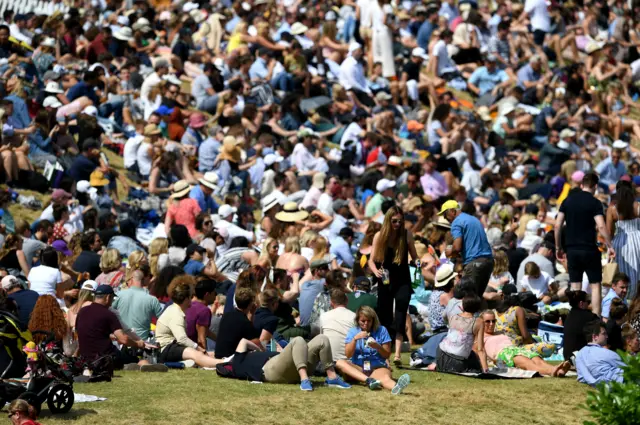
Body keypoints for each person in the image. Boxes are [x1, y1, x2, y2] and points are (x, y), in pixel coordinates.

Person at [555, 172, 613, 316]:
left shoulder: (567, 201)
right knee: (595, 286)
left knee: (575, 286)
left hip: (572, 249)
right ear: (595, 186)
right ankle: (596, 318)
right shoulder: (595, 203)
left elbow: (557, 226)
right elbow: (600, 226)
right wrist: (610, 245)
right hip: (589, 249)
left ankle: (576, 316)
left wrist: (558, 247)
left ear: (581, 185)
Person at [368, 206, 419, 365]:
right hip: (385, 278)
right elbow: (371, 260)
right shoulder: (379, 236)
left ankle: (397, 355)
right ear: (388, 220)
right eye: (394, 221)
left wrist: (417, 263)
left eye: (400, 221)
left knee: (401, 313)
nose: (397, 224)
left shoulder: (406, 235)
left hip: (403, 278)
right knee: (384, 316)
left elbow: (415, 256)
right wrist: (376, 271)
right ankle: (386, 355)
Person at [76, 285, 161, 370]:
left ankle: (127, 365)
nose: (112, 302)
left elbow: (84, 333)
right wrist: (138, 343)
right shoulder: (108, 314)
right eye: (112, 299)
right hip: (107, 358)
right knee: (140, 361)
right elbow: (123, 339)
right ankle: (143, 366)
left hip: (86, 359)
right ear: (108, 297)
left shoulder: (82, 311)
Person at [229, 334, 351, 391]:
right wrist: (259, 349)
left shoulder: (254, 356)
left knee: (322, 339)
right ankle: (304, 379)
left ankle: (332, 377)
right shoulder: (238, 360)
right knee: (298, 340)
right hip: (268, 370)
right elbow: (243, 341)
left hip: (286, 365)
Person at [338, 306, 411, 394]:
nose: (366, 324)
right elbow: (348, 355)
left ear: (373, 320)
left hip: (377, 368)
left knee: (385, 378)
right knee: (340, 362)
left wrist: (377, 346)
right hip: (358, 368)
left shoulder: (382, 330)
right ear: (357, 320)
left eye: (369, 321)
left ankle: (396, 387)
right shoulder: (353, 331)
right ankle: (369, 380)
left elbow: (386, 355)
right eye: (363, 321)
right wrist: (355, 339)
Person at [155, 275, 223, 368]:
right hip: (166, 348)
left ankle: (221, 361)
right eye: (191, 296)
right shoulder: (176, 314)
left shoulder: (174, 309)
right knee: (197, 354)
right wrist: (198, 347)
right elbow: (182, 338)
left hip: (168, 347)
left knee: (201, 355)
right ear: (186, 298)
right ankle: (223, 363)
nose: (193, 299)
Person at [482, 310, 571, 376]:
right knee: (527, 363)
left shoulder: (500, 332)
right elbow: (478, 352)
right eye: (488, 321)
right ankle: (552, 371)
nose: (491, 324)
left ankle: (557, 370)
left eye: (493, 321)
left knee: (537, 359)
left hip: (516, 349)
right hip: (504, 354)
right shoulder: (481, 337)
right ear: (481, 322)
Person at [439, 200, 493, 295]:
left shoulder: (456, 222)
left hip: (474, 263)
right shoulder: (474, 219)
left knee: (466, 297)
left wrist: (449, 252)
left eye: (445, 215)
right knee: (477, 297)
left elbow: (457, 248)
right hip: (488, 262)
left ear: (452, 211)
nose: (445, 218)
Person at [436, 294, 488, 373]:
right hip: (457, 360)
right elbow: (480, 349)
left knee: (472, 355)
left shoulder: (453, 316)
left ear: (463, 306)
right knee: (475, 369)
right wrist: (486, 370)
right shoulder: (479, 322)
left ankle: (435, 365)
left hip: (441, 353)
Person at [112, 265, 162, 340]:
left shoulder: (119, 295)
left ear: (131, 280)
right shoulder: (152, 299)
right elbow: (163, 321)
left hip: (122, 340)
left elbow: (107, 313)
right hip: (142, 342)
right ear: (143, 280)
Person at [214, 287, 261, 359]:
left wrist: (251, 314)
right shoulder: (244, 322)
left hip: (218, 355)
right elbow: (257, 343)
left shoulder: (226, 315)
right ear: (250, 304)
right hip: (230, 358)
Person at [575, 321, 625, 386]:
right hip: (618, 382)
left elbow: (581, 378)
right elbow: (628, 369)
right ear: (595, 337)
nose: (607, 337)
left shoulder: (579, 354)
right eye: (604, 334)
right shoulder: (608, 354)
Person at [319, 289, 356, 361]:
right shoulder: (354, 316)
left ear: (331, 303)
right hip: (349, 362)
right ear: (347, 300)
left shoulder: (323, 316)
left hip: (329, 361)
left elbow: (321, 338)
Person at [563, 290, 599, 362]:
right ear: (581, 303)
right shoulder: (589, 317)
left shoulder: (569, 316)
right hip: (579, 357)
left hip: (567, 356)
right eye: (588, 302)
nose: (589, 305)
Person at [185, 279, 216, 349]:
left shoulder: (190, 305)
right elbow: (201, 339)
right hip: (192, 349)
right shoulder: (204, 310)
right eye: (214, 293)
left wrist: (219, 340)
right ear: (207, 294)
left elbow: (205, 331)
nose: (215, 296)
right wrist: (204, 356)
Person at [428, 264, 458, 332]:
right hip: (443, 330)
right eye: (453, 279)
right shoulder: (444, 296)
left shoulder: (434, 293)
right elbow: (457, 313)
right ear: (450, 281)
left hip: (436, 329)